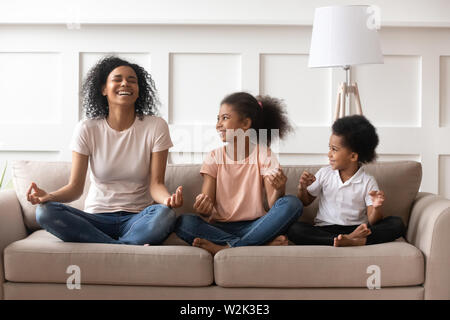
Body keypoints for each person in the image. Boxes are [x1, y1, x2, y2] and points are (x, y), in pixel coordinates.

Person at [27, 56, 183, 245]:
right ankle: (125, 246)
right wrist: (48, 196)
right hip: (95, 219)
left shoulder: (156, 126)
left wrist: (168, 200)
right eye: (117, 79)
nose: (125, 83)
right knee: (45, 211)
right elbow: (75, 188)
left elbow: (156, 184)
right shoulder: (87, 128)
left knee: (165, 214)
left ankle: (108, 245)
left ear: (138, 90)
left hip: (138, 218)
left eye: (132, 80)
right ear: (103, 89)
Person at [175, 92, 303, 255]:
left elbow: (273, 205)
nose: (218, 125)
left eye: (225, 118)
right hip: (220, 227)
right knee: (184, 222)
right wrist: (203, 207)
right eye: (218, 118)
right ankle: (257, 245)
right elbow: (205, 211)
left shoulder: (265, 155)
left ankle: (229, 247)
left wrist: (279, 189)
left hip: (257, 225)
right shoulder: (214, 157)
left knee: (292, 203)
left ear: (245, 123)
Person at [288, 115, 405, 247]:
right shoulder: (325, 173)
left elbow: (373, 220)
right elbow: (305, 201)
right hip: (326, 228)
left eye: (334, 149)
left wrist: (376, 207)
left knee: (397, 223)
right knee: (294, 228)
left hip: (357, 229)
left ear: (353, 156)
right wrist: (302, 188)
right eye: (329, 148)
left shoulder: (367, 181)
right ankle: (350, 240)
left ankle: (347, 239)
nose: (329, 154)